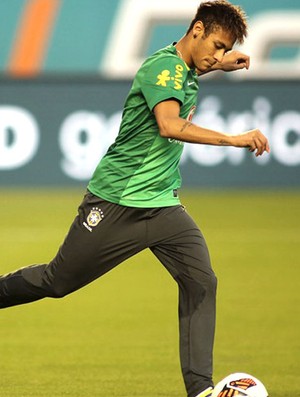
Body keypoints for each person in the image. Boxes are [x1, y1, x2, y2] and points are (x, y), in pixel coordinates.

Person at [0, 1, 270, 397]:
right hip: (117, 203)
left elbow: (189, 69)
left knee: (201, 282)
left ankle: (201, 389)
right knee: (58, 281)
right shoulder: (161, 68)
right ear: (196, 29)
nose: (219, 55)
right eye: (216, 44)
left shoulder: (187, 67)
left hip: (162, 206)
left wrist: (219, 63)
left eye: (225, 49)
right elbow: (169, 124)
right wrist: (233, 138)